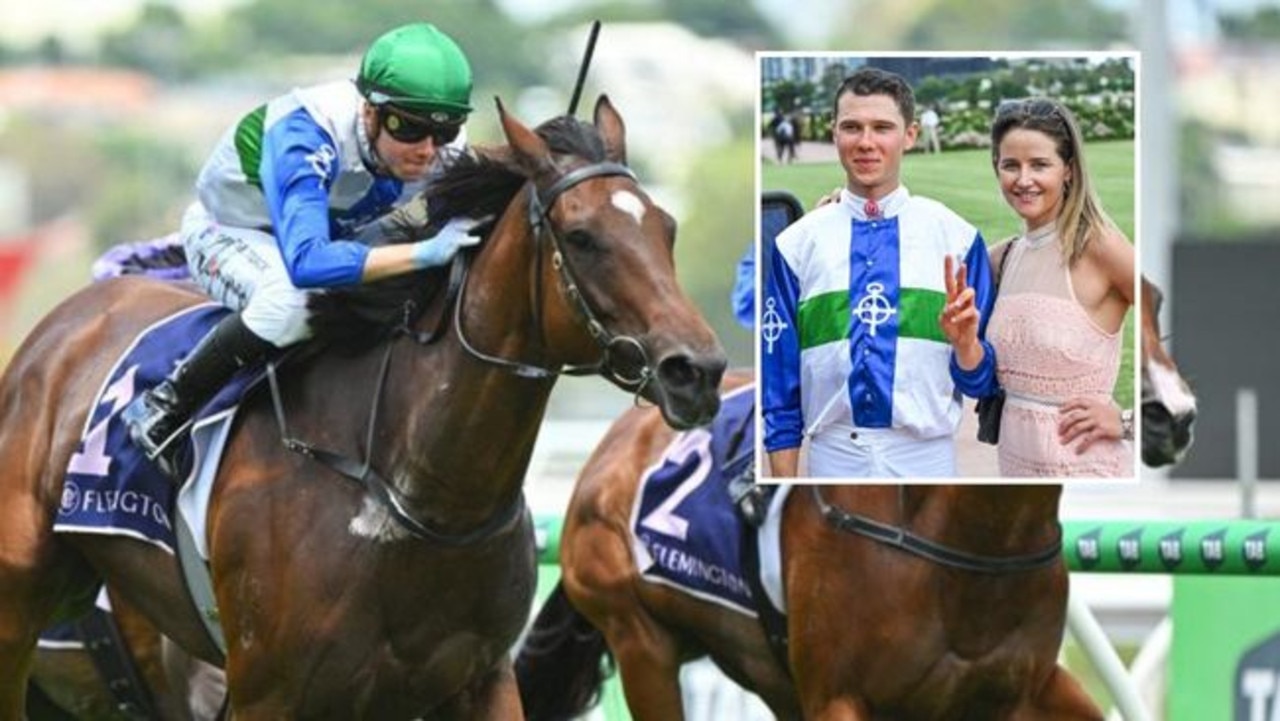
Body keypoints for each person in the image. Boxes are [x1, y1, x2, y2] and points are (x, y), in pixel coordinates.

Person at [123, 22, 484, 471]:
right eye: (409, 129)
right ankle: (165, 405)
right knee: (291, 302)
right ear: (370, 112)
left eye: (446, 131)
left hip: (334, 235)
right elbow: (308, 264)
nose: (428, 150)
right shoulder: (307, 134)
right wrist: (423, 253)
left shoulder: (437, 146)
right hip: (232, 232)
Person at [762, 67, 996, 478]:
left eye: (882, 127)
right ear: (834, 132)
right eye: (852, 127)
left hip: (927, 458)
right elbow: (779, 383)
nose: (866, 142)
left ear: (910, 134)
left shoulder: (957, 239)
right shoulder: (795, 245)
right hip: (832, 458)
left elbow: (984, 382)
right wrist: (781, 486)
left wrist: (965, 347)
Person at [941, 98, 1134, 477]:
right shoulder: (1002, 258)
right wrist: (838, 214)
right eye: (1010, 165)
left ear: (1068, 170)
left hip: (1088, 473)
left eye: (1040, 164)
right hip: (1017, 475)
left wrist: (1129, 421)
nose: (1023, 179)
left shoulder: (1099, 246)